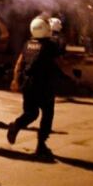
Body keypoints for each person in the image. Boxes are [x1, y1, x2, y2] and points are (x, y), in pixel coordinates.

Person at [7, 16, 62, 161]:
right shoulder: (50, 45)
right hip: (44, 85)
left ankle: (16, 125)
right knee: (47, 114)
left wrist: (15, 79)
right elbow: (59, 63)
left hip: (28, 84)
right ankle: (41, 145)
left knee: (31, 113)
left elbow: (19, 63)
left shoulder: (28, 44)